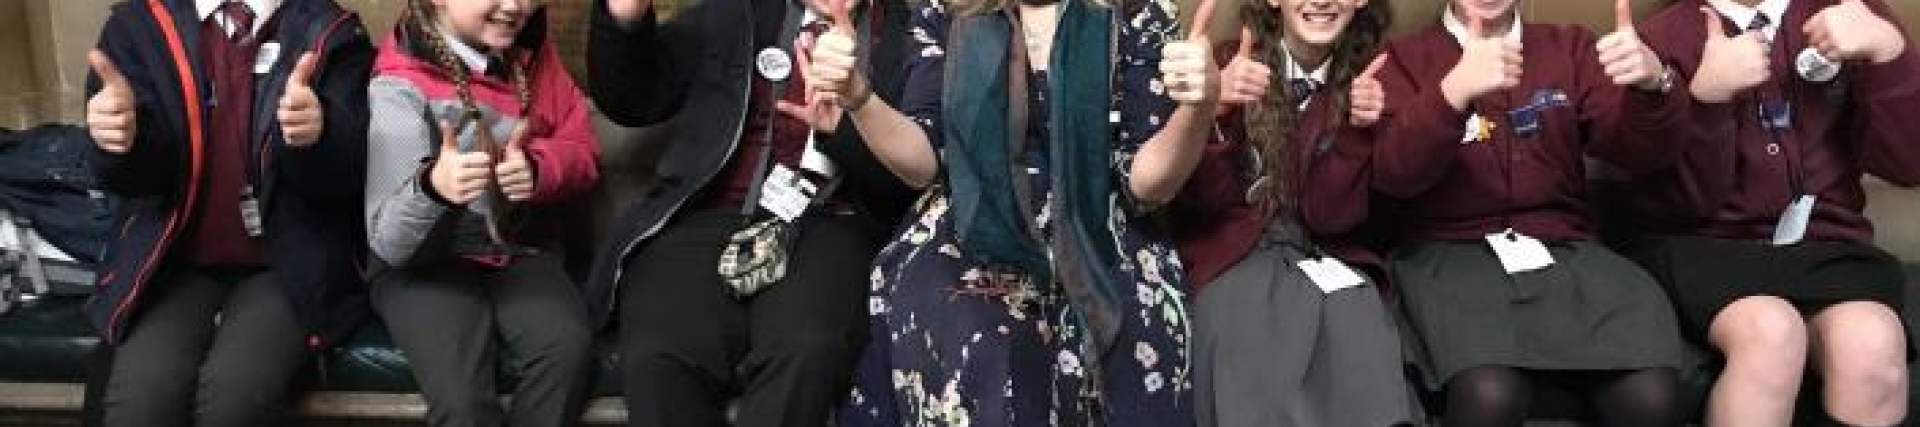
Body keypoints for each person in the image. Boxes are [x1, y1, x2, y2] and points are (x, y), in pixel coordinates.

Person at [817, 0, 1221, 423]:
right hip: (970, 221)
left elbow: (1149, 182)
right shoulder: (946, 11)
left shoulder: (1140, 13)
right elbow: (922, 161)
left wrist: (1198, 108)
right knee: (982, 340)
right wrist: (858, 97)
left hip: (1103, 224)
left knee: (1130, 340)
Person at [585, 0, 915, 424]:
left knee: (806, 349)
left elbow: (910, 180)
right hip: (709, 213)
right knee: (659, 354)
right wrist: (624, 20)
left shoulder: (910, 32)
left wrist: (853, 114)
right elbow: (635, 98)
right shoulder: (735, 12)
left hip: (833, 220)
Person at [1367, 0, 1694, 425]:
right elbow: (1394, 175)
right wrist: (1451, 95)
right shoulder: (1402, 59)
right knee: (1490, 393)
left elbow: (1641, 152)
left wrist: (1655, 87)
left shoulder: (1570, 49)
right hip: (1448, 258)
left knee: (1651, 395)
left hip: (1566, 253)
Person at [1623, 0, 1919, 425]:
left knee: (1872, 344)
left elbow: (1907, 166)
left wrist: (1888, 53)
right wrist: (1709, 99)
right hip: (1703, 248)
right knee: (1771, 333)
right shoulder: (1661, 37)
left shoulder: (1855, 12)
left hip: (1826, 248)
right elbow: (1675, 204)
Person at [81, 0, 373, 425]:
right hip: (173, 263)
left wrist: (315, 138)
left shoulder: (332, 31)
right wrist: (123, 142)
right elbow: (130, 180)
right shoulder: (138, 27)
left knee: (235, 400)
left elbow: (349, 176)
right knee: (140, 399)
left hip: (287, 267)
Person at [1172, 0, 1415, 425]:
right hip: (1236, 255)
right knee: (1244, 339)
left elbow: (1332, 217)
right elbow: (1200, 200)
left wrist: (1357, 136)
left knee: (1359, 322)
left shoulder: (1373, 81)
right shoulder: (1231, 63)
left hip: (1327, 252)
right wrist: (1215, 113)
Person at [363, 0, 602, 425]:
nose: (516, 6)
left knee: (565, 350)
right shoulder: (398, 85)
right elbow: (392, 241)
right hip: (424, 265)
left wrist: (539, 168)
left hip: (517, 249)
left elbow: (583, 148)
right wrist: (433, 188)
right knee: (462, 399)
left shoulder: (533, 56)